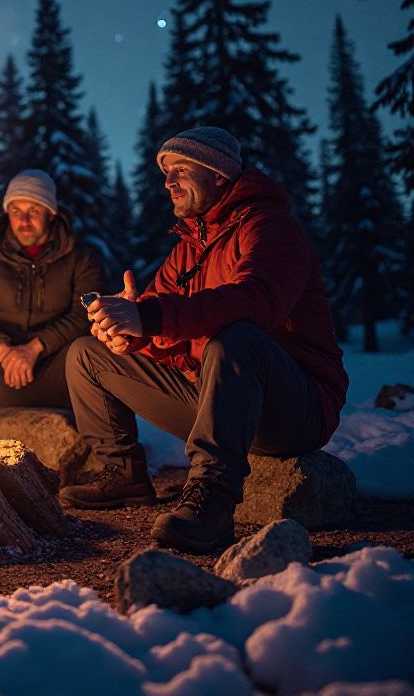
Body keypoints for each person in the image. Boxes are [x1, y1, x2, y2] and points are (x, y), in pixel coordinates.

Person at [62, 126, 348, 554]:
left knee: (236, 336)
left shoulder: (271, 228)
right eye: (164, 173)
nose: (168, 182)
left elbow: (257, 301)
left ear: (217, 173)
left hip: (293, 409)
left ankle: (212, 499)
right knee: (88, 354)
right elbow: (165, 325)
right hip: (216, 397)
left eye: (179, 169)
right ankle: (122, 473)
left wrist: (149, 318)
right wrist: (130, 335)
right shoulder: (189, 245)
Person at [0, 169, 105, 410]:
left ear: (50, 214)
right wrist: (2, 349)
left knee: (89, 349)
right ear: (7, 214)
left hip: (55, 373)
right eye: (16, 211)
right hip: (0, 373)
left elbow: (86, 314)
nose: (23, 221)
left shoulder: (80, 259)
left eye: (33, 210)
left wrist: (36, 348)